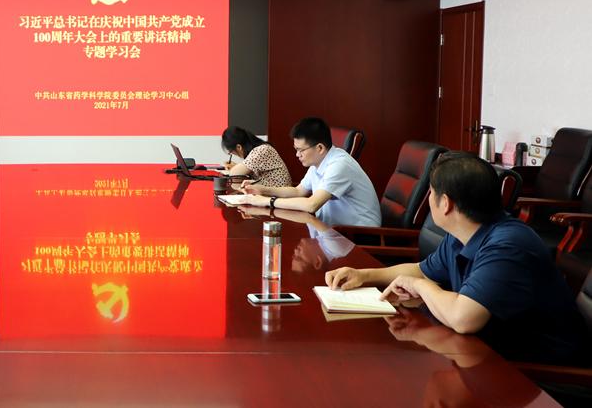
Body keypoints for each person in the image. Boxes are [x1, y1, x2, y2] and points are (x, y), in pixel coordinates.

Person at [325, 152, 590, 367]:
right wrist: (365, 275)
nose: (428, 199)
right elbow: (422, 270)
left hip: (541, 371)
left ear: (446, 204)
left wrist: (420, 288)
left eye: (431, 193)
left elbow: (464, 318)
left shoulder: (508, 245)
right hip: (487, 350)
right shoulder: (464, 232)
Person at [240, 117, 380, 227]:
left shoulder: (340, 165)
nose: (297, 155)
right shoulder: (318, 162)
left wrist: (266, 201)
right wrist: (262, 189)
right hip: (333, 230)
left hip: (359, 234)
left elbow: (311, 204)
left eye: (301, 150)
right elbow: (298, 191)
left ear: (319, 148)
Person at [221, 126, 292, 187]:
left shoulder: (261, 150)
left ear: (239, 147)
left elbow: (234, 175)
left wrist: (234, 169)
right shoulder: (259, 149)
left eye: (231, 152)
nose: (232, 154)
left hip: (279, 195)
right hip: (272, 192)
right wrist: (235, 166)